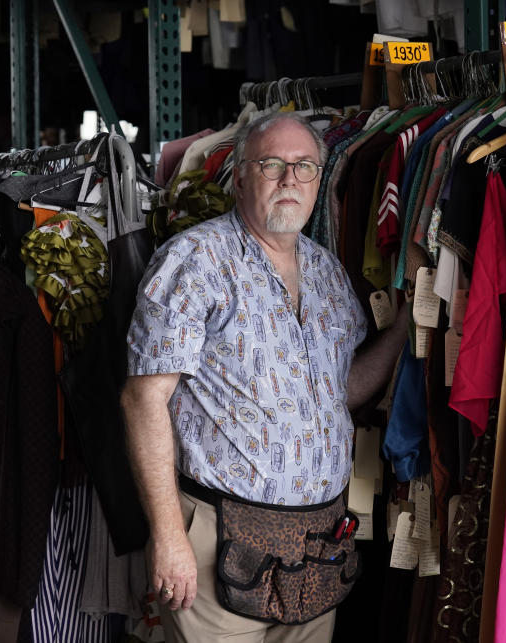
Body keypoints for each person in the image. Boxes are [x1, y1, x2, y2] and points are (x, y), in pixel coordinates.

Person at [122, 112, 409, 642]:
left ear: (321, 180)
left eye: (303, 167)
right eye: (271, 164)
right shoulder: (194, 261)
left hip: (317, 549)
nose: (288, 180)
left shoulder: (327, 273)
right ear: (238, 175)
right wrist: (166, 535)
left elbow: (339, 394)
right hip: (218, 542)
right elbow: (143, 401)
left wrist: (404, 328)